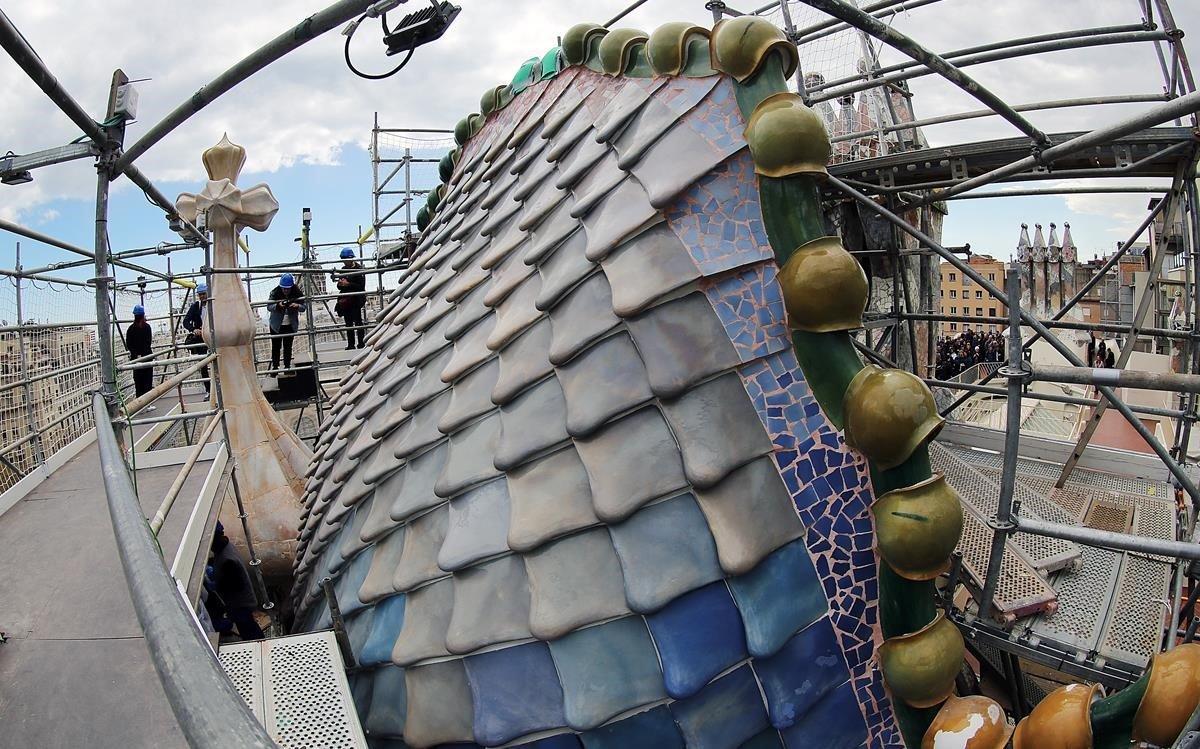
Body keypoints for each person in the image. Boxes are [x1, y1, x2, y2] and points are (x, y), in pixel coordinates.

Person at [208, 521, 264, 641]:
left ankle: (257, 643)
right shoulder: (226, 547)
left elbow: (236, 585)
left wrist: (217, 585)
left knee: (248, 629)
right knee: (248, 626)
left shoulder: (227, 559)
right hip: (242, 601)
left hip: (240, 603)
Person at [268, 273, 305, 375]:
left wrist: (297, 305)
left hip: (290, 325)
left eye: (288, 289)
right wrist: (278, 305)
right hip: (276, 325)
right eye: (284, 288)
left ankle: (287, 367)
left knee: (288, 347)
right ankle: (275, 368)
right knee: (276, 347)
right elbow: (269, 306)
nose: (285, 291)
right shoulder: (275, 292)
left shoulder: (297, 293)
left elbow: (304, 307)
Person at [332, 247, 367, 350]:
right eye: (343, 259)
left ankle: (361, 343)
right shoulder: (343, 270)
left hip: (356, 300)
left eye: (346, 259)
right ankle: (351, 344)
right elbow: (339, 286)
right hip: (346, 301)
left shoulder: (359, 269)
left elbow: (361, 286)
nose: (344, 261)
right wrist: (341, 284)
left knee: (358, 322)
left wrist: (347, 284)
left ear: (351, 258)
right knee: (348, 323)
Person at [125, 305, 156, 412]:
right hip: (146, 357)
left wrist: (136, 354)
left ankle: (140, 406)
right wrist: (142, 354)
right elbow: (148, 342)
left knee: (138, 382)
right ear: (143, 315)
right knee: (147, 381)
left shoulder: (130, 329)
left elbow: (128, 344)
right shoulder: (147, 327)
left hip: (136, 360)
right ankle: (147, 404)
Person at [182, 283, 211, 394]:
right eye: (200, 295)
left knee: (218, 361)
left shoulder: (213, 304)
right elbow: (185, 321)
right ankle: (208, 390)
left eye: (203, 294)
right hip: (201, 339)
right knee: (203, 365)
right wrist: (194, 329)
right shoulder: (196, 306)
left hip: (214, 337)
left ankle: (220, 387)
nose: (202, 296)